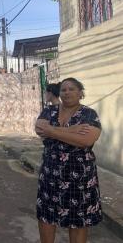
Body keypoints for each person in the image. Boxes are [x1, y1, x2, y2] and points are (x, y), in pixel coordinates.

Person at [35, 78, 102, 243]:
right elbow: (39, 129)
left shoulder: (89, 114)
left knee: (78, 221)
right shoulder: (48, 111)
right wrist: (71, 131)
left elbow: (86, 140)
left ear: (80, 93)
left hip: (80, 177)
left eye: (72, 89)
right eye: (63, 89)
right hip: (50, 174)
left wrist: (51, 131)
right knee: (46, 217)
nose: (67, 92)